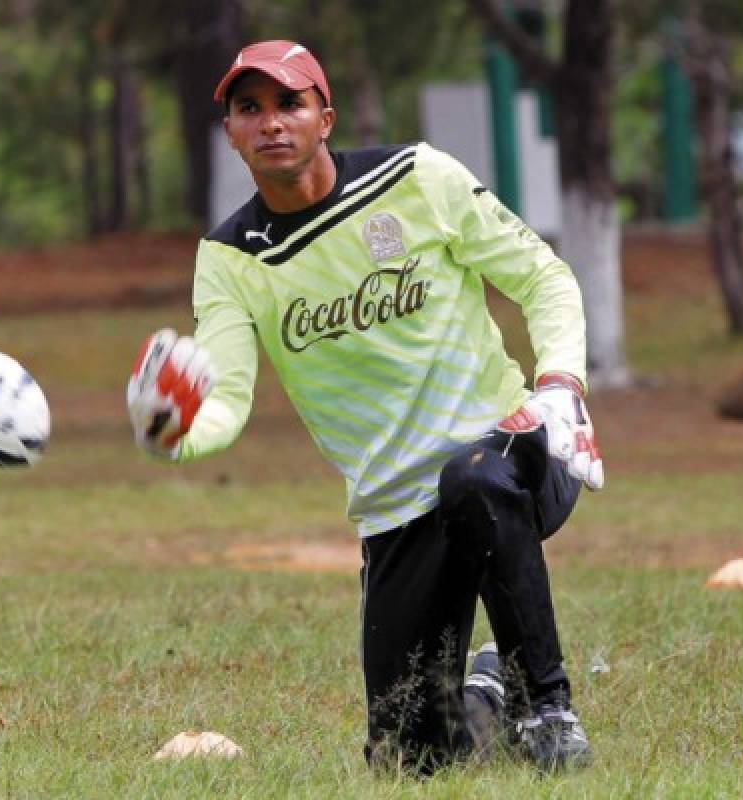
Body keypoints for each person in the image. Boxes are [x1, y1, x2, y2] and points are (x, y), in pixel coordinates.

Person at [126, 39, 604, 774]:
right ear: (229, 133)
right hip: (395, 510)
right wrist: (174, 434)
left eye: (290, 103)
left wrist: (560, 387)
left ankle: (548, 710)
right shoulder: (230, 260)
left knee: (473, 480)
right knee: (409, 761)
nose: (271, 123)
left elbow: (546, 279)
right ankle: (487, 695)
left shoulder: (416, 177)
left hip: (511, 452)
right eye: (249, 109)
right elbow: (224, 403)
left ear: (326, 117)